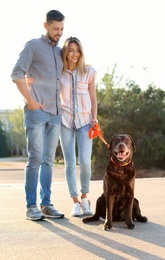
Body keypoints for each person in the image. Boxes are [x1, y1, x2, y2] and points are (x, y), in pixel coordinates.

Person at [11, 10, 65, 221]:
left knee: (49, 161)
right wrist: (30, 101)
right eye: (55, 29)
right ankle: (31, 206)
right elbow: (16, 73)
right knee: (35, 159)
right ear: (46, 25)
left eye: (61, 29)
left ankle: (46, 204)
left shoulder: (60, 52)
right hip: (36, 112)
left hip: (55, 114)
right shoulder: (33, 45)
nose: (58, 33)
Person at [60, 37, 97, 216]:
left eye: (77, 50)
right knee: (69, 163)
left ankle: (84, 198)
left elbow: (93, 99)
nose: (74, 54)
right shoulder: (59, 72)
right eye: (71, 50)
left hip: (85, 123)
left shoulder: (88, 72)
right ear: (65, 52)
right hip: (65, 122)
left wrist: (94, 119)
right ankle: (74, 201)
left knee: (84, 162)